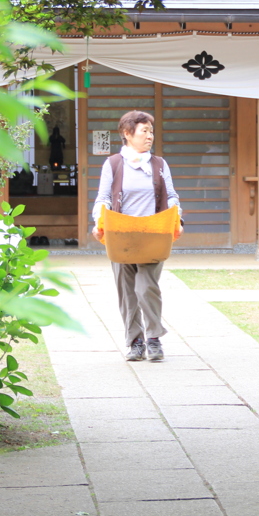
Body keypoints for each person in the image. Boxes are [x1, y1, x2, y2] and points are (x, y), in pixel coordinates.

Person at [92, 110, 182, 362]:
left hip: (153, 234)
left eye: (151, 131)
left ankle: (154, 338)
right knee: (127, 292)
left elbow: (172, 196)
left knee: (146, 288)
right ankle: (136, 342)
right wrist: (97, 220)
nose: (150, 136)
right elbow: (104, 198)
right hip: (120, 236)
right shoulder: (113, 164)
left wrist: (178, 218)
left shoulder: (159, 165)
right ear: (127, 134)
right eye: (144, 131)